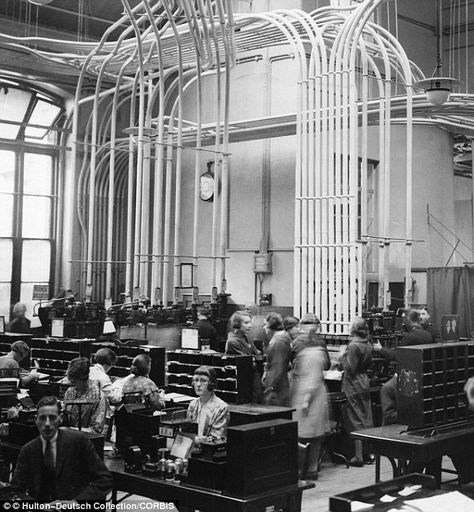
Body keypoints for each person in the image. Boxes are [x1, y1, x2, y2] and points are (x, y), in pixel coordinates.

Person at [11, 395, 112, 502]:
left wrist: (77, 502)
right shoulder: (28, 450)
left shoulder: (79, 442)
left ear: (60, 419)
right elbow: (16, 490)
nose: (47, 424)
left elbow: (104, 480)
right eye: (42, 418)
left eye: (52, 418)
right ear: (36, 421)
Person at [290, 315, 330, 480]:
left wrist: (305, 399)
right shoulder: (321, 344)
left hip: (303, 390)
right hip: (319, 390)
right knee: (316, 434)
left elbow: (290, 363)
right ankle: (312, 469)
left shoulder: (295, 344)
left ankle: (298, 471)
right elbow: (327, 365)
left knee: (300, 433)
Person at [340, 317, 373, 467]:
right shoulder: (368, 343)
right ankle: (369, 452)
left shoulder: (353, 345)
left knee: (355, 417)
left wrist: (342, 356)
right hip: (364, 380)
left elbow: (350, 368)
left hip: (352, 383)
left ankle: (358, 456)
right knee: (365, 416)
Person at [225, 310, 263, 403]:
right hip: (242, 384)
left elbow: (258, 354)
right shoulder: (233, 342)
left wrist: (256, 357)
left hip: (253, 379)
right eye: (246, 323)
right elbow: (248, 361)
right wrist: (255, 357)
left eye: (250, 322)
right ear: (237, 324)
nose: (250, 326)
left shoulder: (246, 338)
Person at [63, 357, 107, 435]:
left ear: (84, 379)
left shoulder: (99, 397)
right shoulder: (71, 391)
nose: (72, 386)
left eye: (74, 382)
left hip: (87, 440)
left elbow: (96, 430)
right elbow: (67, 419)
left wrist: (69, 430)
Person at [186, 366, 229, 444]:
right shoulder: (193, 405)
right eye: (196, 380)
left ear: (211, 383)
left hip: (210, 451)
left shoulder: (222, 407)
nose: (198, 384)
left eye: (203, 381)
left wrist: (196, 440)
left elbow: (217, 438)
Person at [262, 312, 292, 406]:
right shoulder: (282, 339)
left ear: (271, 326)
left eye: (265, 325)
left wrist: (270, 387)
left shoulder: (278, 342)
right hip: (281, 384)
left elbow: (277, 366)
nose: (264, 328)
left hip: (277, 388)